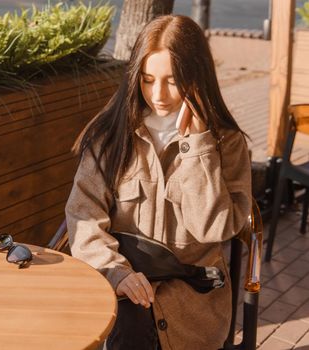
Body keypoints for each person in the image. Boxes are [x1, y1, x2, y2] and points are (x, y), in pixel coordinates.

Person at [65, 14, 252, 350]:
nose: (158, 94)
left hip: (192, 304)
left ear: (197, 77)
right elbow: (83, 217)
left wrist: (198, 149)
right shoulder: (111, 136)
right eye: (148, 79)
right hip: (125, 288)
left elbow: (212, 227)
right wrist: (116, 272)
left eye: (172, 80)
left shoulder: (228, 144)